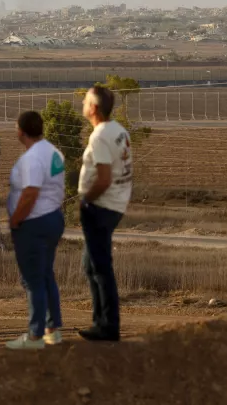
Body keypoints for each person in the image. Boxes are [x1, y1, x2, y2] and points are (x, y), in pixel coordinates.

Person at [5, 111, 67, 350]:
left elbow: (31, 192)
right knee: (45, 274)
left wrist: (15, 220)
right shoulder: (54, 152)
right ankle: (52, 330)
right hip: (53, 218)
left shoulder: (32, 158)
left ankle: (35, 335)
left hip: (34, 222)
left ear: (21, 131)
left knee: (33, 279)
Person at [78, 86, 133, 342]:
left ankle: (108, 326)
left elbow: (103, 179)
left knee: (100, 267)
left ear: (94, 108)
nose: (83, 104)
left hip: (101, 206)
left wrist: (85, 200)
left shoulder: (99, 136)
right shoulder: (119, 130)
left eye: (86, 101)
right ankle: (100, 321)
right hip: (116, 203)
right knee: (91, 265)